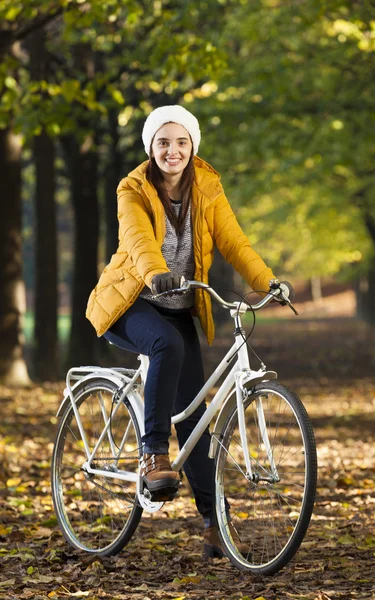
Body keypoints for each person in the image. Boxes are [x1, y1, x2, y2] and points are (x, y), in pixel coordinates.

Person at [86, 105, 277, 558]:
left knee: (196, 418)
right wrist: (154, 273)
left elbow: (234, 240)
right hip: (132, 302)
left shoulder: (207, 186)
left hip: (180, 305)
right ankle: (153, 454)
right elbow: (137, 239)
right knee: (165, 344)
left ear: (192, 147)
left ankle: (214, 524)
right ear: (151, 148)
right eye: (164, 142)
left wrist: (267, 282)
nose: (173, 151)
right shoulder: (132, 188)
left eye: (181, 142)